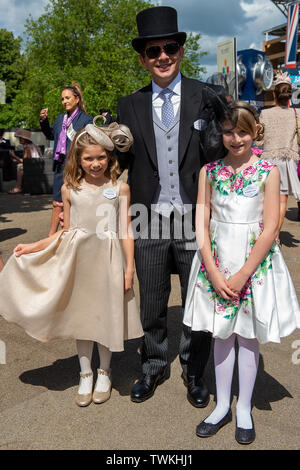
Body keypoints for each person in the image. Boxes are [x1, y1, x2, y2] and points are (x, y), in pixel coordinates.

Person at [117, 6, 225, 406]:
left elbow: (222, 153)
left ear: (180, 50)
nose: (162, 56)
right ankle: (153, 365)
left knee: (197, 301)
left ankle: (194, 371)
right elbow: (119, 162)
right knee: (152, 302)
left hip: (195, 219)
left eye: (169, 47)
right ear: (143, 57)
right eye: (153, 50)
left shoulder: (206, 96)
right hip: (148, 219)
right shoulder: (130, 105)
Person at [0, 119, 143, 407]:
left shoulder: (120, 188)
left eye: (101, 157)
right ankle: (85, 373)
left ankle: (105, 371)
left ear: (109, 156)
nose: (95, 163)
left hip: (109, 259)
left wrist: (129, 268)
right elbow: (66, 230)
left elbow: (126, 230)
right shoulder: (69, 189)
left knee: (106, 316)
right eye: (88, 158)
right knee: (82, 318)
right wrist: (34, 245)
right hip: (78, 261)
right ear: (78, 159)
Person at [183, 97, 300, 444]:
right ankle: (221, 406)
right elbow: (201, 223)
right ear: (220, 133)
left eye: (243, 132)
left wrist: (243, 273)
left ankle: (245, 407)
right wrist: (214, 272)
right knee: (221, 335)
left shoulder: (269, 171)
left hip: (253, 263)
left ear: (255, 132)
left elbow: (269, 227)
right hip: (215, 261)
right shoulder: (209, 171)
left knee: (247, 336)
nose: (236, 139)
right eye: (229, 132)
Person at [40, 82, 93, 235]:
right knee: (57, 203)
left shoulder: (86, 120)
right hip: (60, 166)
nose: (64, 102)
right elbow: (50, 135)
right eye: (62, 99)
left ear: (77, 99)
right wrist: (44, 122)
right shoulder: (59, 119)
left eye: (67, 98)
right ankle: (51, 236)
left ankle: (68, 234)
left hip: (77, 168)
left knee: (74, 202)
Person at [260, 71, 300, 239]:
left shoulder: (265, 113)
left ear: (274, 94)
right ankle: (275, 236)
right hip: (287, 161)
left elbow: (259, 141)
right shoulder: (296, 114)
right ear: (289, 96)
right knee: (282, 201)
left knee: (266, 201)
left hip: (268, 161)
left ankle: (267, 233)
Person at [8, 129, 41, 194]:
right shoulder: (31, 145)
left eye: (21, 138)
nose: (19, 139)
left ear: (25, 139)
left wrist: (14, 156)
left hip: (34, 167)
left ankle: (18, 187)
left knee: (19, 167)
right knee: (19, 165)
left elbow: (25, 162)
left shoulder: (27, 147)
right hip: (37, 165)